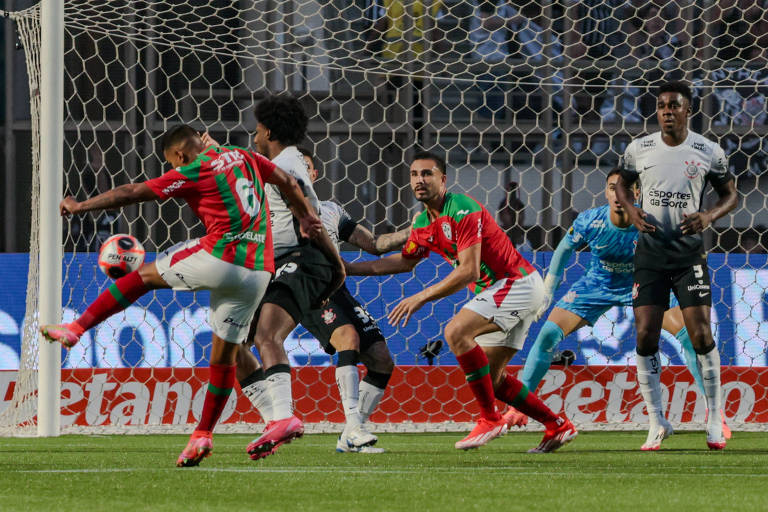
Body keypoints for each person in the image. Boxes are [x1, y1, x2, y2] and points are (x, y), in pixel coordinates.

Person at [39, 125, 325, 467]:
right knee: (226, 355)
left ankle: (77, 328)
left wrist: (81, 205)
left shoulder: (194, 169)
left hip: (224, 256)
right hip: (258, 271)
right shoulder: (248, 157)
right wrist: (306, 215)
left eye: (172, 163)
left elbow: (132, 192)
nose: (174, 169)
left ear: (179, 155)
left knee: (143, 276)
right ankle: (218, 431)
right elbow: (288, 182)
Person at [345, 150, 577, 453]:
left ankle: (489, 418)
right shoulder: (423, 225)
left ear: (443, 179)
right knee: (494, 381)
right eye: (415, 175)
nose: (420, 180)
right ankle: (557, 425)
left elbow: (468, 270)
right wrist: (346, 268)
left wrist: (420, 297)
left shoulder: (462, 209)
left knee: (456, 332)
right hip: (506, 291)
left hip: (514, 283)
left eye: (427, 174)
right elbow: (402, 263)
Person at [520, 168, 731, 440]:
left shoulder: (652, 220)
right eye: (612, 188)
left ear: (638, 193)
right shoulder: (590, 220)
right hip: (597, 284)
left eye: (628, 189)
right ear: (606, 192)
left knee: (689, 338)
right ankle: (520, 408)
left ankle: (714, 414)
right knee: (548, 334)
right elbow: (563, 249)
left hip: (644, 281)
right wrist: (548, 289)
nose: (619, 195)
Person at [236, 147, 410, 454]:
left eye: (305, 166)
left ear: (313, 175)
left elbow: (375, 244)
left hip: (333, 282)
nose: (298, 169)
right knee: (346, 336)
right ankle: (295, 419)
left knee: (382, 359)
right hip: (300, 279)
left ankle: (349, 433)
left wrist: (414, 231)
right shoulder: (274, 206)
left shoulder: (331, 210)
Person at [615, 80, 738, 450]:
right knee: (644, 336)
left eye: (674, 105)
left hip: (688, 256)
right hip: (650, 256)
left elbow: (731, 193)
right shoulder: (640, 149)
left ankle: (714, 418)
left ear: (688, 110)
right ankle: (656, 421)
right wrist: (633, 211)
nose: (667, 111)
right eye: (662, 106)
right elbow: (621, 183)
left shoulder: (707, 151)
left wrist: (709, 216)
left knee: (701, 335)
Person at [233, 95, 346, 460]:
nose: (253, 135)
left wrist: (335, 266)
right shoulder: (283, 160)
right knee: (233, 344)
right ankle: (275, 420)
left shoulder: (286, 164)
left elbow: (310, 218)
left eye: (255, 128)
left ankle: (283, 417)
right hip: (278, 263)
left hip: (302, 258)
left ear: (267, 130)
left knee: (268, 334)